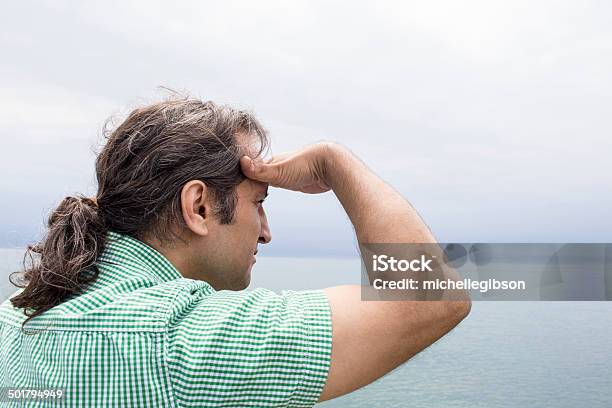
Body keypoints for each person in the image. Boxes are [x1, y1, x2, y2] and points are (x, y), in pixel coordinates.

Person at [0, 96, 470, 407]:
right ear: (199, 206)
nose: (265, 234)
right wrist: (336, 163)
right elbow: (431, 299)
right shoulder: (179, 342)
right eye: (258, 204)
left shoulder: (15, 317)